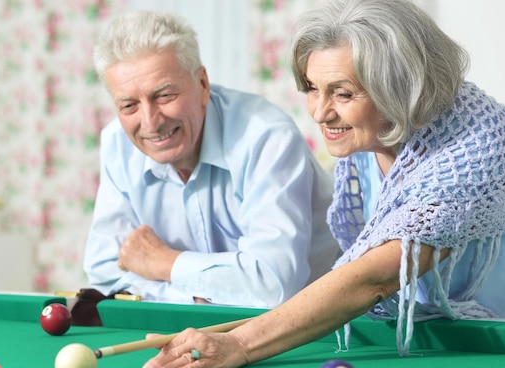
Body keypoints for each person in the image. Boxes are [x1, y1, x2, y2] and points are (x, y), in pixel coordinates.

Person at [140, 0, 505, 368]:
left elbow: (374, 277)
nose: (320, 112)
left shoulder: (474, 151)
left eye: (342, 93)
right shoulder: (371, 131)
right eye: (312, 88)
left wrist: (241, 343)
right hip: (444, 341)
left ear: (401, 87)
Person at [83, 10, 339, 308]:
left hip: (317, 331)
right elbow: (104, 275)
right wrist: (196, 295)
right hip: (197, 334)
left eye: (164, 96)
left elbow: (274, 284)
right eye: (129, 105)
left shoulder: (266, 138)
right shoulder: (117, 143)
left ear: (202, 84)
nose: (151, 123)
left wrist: (166, 264)